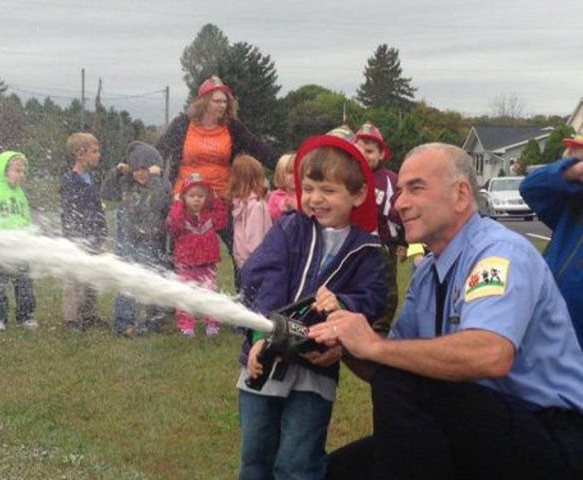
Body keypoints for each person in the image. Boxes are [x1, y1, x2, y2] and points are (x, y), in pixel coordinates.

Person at [310, 143, 583, 479]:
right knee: (333, 471)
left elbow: (490, 355)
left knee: (398, 380)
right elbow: (391, 361)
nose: (399, 203)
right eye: (399, 191)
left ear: (461, 195)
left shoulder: (498, 254)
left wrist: (375, 347)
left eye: (416, 188)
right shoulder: (428, 272)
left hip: (551, 434)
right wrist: (343, 343)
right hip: (481, 424)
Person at [237, 134, 386, 480]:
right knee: (255, 459)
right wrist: (261, 335)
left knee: (298, 462)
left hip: (315, 373)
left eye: (328, 190)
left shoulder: (366, 249)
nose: (315, 198)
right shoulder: (290, 229)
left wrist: (344, 305)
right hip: (262, 361)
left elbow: (373, 297)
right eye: (308, 188)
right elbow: (264, 279)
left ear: (358, 195)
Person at [155, 75, 277, 256]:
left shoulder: (232, 127)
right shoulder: (183, 124)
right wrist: (140, 165)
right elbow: (159, 151)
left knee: (238, 247)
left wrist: (285, 166)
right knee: (176, 248)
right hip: (185, 198)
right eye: (217, 101)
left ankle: (245, 275)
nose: (222, 105)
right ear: (204, 102)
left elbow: (258, 148)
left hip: (221, 198)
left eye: (225, 101)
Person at [101, 141, 172, 337]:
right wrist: (116, 173)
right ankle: (124, 322)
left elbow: (161, 202)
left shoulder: (161, 183)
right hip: (127, 241)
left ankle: (153, 321)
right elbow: (106, 193)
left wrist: (156, 178)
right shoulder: (126, 183)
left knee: (153, 280)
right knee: (128, 281)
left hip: (151, 242)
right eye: (136, 169)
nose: (141, 173)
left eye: (146, 169)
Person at [521, 134, 583, 349]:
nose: (569, 158)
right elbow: (530, 187)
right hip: (552, 336)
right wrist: (571, 172)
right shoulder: (572, 204)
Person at [355, 123, 406, 336]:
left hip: (383, 243)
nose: (364, 155)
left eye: (369, 151)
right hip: (355, 242)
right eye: (360, 150)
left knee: (386, 289)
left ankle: (380, 329)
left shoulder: (390, 179)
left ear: (381, 153)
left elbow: (403, 212)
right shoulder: (349, 174)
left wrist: (404, 242)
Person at [165, 173, 228, 337]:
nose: (196, 200)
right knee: (185, 294)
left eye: (201, 196)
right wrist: (178, 203)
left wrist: (216, 201)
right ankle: (186, 326)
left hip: (207, 263)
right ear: (184, 197)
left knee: (210, 292)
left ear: (207, 197)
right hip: (186, 264)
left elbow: (222, 220)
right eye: (191, 196)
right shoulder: (181, 214)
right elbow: (173, 225)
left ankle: (212, 323)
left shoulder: (210, 215)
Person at [0, 151, 36, 331]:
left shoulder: (20, 194)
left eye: (24, 171)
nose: (22, 175)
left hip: (20, 250)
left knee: (25, 285)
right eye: (17, 170)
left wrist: (29, 238)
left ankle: (25, 316)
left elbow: (26, 219)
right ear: (4, 171)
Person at [60, 132, 108, 331]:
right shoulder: (70, 181)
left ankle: (89, 315)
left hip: (93, 237)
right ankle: (71, 319)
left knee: (92, 276)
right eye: (94, 151)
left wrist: (100, 232)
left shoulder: (91, 179)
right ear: (79, 153)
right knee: (74, 279)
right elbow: (70, 213)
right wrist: (76, 238)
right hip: (77, 239)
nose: (98, 155)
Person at [226, 154, 273, 271]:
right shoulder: (256, 205)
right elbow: (256, 239)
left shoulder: (241, 204)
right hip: (257, 264)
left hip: (245, 261)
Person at [267, 152, 298, 222]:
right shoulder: (275, 196)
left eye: (298, 172)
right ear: (281, 175)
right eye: (290, 172)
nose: (295, 176)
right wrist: (284, 207)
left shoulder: (305, 195)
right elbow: (271, 215)